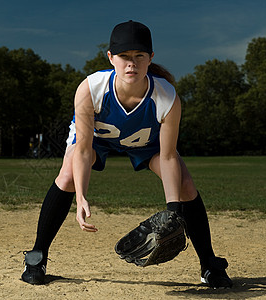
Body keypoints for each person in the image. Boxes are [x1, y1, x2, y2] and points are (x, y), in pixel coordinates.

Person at [21, 20, 232, 289]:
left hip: (147, 143)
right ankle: (36, 257)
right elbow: (84, 150)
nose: (131, 63)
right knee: (67, 176)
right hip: (97, 141)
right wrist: (82, 198)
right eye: (123, 56)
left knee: (185, 183)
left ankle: (209, 266)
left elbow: (167, 157)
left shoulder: (166, 97)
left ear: (150, 58)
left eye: (139, 56)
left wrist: (173, 212)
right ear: (111, 58)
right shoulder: (91, 89)